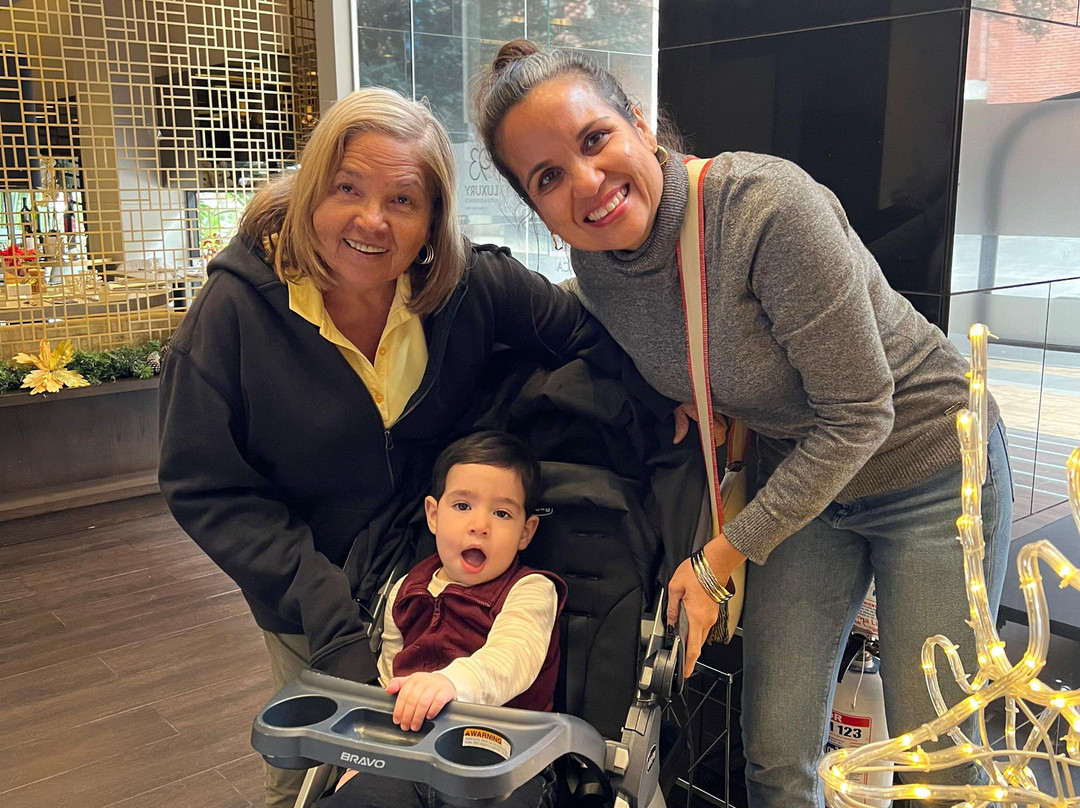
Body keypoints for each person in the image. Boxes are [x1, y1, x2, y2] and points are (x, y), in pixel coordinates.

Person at [472, 41, 1014, 807]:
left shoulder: (764, 208)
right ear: (538, 210)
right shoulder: (599, 266)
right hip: (805, 481)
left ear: (638, 123)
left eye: (595, 139)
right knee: (776, 756)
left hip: (926, 464)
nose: (586, 182)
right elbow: (636, 326)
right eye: (548, 178)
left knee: (941, 762)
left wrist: (713, 563)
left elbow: (863, 412)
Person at [157, 86, 615, 808]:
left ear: (432, 220)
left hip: (446, 574)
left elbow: (586, 339)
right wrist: (328, 617)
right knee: (310, 769)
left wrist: (667, 408)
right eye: (347, 188)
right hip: (306, 584)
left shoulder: (469, 286)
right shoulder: (234, 315)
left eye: (403, 200)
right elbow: (206, 487)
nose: (372, 220)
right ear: (312, 191)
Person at [324, 430, 564, 807]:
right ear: (434, 515)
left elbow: (513, 657)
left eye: (501, 513)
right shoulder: (404, 589)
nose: (479, 524)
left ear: (525, 532)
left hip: (507, 760)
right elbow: (390, 677)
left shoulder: (531, 589)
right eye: (463, 506)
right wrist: (368, 751)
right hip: (409, 755)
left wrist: (451, 682)